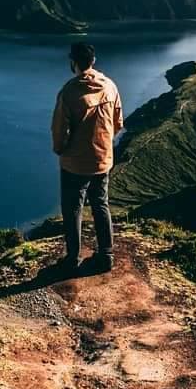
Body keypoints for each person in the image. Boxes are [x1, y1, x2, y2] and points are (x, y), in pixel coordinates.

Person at [51, 42, 124, 273]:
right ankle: (106, 255)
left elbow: (59, 132)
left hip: (75, 164)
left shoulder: (69, 92)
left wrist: (61, 149)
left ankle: (72, 259)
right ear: (93, 61)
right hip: (102, 159)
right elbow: (118, 122)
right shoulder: (110, 86)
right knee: (100, 204)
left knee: (73, 208)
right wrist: (102, 144)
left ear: (73, 62)